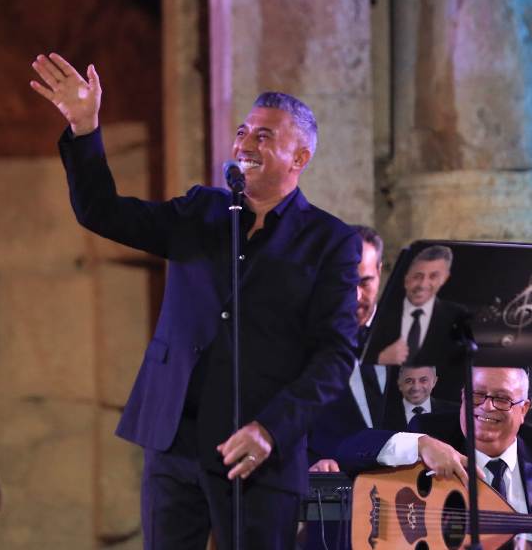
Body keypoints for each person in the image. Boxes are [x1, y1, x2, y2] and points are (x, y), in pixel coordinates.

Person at [30, 53, 360, 550]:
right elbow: (102, 212)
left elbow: (335, 355)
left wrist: (271, 429)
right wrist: (84, 128)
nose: (245, 144)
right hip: (173, 438)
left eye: (264, 136)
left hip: (256, 450)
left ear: (300, 158)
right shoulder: (202, 210)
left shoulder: (329, 241)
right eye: (243, 132)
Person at [335, 367, 532, 548]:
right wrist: (421, 445)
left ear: (523, 409)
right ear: (463, 396)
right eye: (477, 395)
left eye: (502, 399)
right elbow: (350, 450)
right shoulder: (432, 432)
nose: (487, 406)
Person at [308, 225, 386, 472]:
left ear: (380, 271)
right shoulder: (304, 341)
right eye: (346, 282)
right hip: (332, 486)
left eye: (365, 282)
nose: (356, 296)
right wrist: (311, 464)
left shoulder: (410, 337)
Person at [372, 244, 468, 402]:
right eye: (417, 276)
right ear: (406, 278)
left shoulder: (457, 317)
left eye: (433, 276)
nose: (423, 284)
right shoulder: (380, 316)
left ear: (444, 278)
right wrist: (380, 360)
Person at [382, 365, 457, 430]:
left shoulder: (454, 413)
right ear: (399, 383)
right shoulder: (383, 414)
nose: (416, 388)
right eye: (409, 381)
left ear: (434, 381)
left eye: (423, 380)